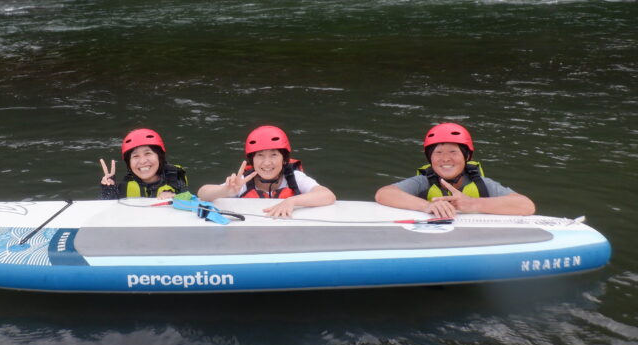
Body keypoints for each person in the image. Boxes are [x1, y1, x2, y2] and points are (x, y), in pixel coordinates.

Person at [374, 122, 535, 218]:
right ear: (430, 159)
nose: (445, 159)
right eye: (438, 153)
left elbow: (526, 206)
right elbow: (384, 194)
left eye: (453, 152)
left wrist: (473, 204)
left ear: (466, 157)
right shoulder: (423, 182)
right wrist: (427, 206)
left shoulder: (481, 183)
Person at [197, 125, 336, 218]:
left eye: (274, 155)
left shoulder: (294, 178)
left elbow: (327, 195)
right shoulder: (243, 182)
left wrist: (292, 201)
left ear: (284, 159)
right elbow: (203, 193)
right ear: (252, 160)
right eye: (260, 155)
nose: (267, 163)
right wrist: (226, 191)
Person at [100, 128, 188, 199]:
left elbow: (184, 194)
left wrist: (172, 195)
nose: (142, 161)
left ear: (159, 157)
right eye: (135, 156)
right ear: (129, 162)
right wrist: (109, 190)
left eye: (148, 153)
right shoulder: (125, 185)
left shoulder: (175, 176)